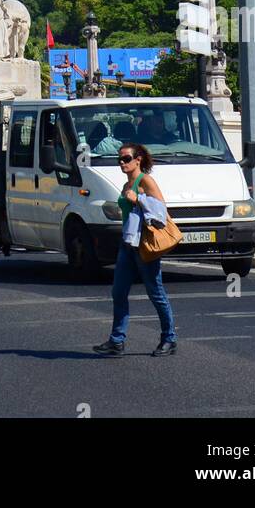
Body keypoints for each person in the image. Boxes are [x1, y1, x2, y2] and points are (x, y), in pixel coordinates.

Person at [93, 143, 178, 357]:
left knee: (156, 293)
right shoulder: (125, 184)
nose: (122, 163)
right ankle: (116, 341)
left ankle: (169, 339)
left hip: (144, 246)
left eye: (126, 159)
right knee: (118, 293)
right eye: (119, 159)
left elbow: (161, 211)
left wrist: (139, 198)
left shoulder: (145, 181)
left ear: (138, 159)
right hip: (127, 244)